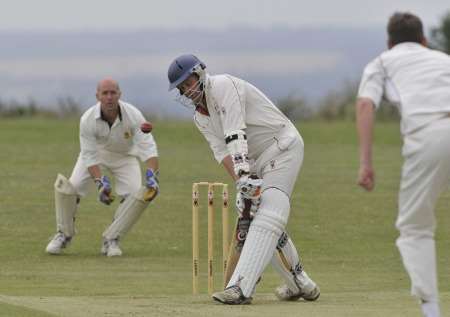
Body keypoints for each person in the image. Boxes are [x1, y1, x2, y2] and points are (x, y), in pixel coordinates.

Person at [167, 54, 320, 304]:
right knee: (254, 211)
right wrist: (243, 183)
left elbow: (235, 132)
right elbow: (222, 152)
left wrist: (244, 175)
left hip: (282, 146)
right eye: (182, 88)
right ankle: (299, 282)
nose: (187, 91)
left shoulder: (224, 86)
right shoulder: (200, 118)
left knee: (269, 211)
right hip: (255, 161)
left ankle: (240, 288)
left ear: (200, 73)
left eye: (188, 82)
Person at [356, 12, 450, 317]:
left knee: (414, 228)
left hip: (429, 136)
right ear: (424, 40)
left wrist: (366, 164)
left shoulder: (381, 62)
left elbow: (365, 104)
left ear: (389, 41)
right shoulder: (443, 59)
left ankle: (432, 311)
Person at [45, 78, 159, 257]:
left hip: (125, 156)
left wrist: (153, 174)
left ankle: (111, 240)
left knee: (137, 195)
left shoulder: (134, 115)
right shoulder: (87, 119)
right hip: (96, 154)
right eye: (105, 93)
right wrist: (100, 183)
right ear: (97, 96)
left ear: (119, 95)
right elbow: (89, 155)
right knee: (69, 188)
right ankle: (63, 234)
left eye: (113, 93)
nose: (109, 97)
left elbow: (148, 147)